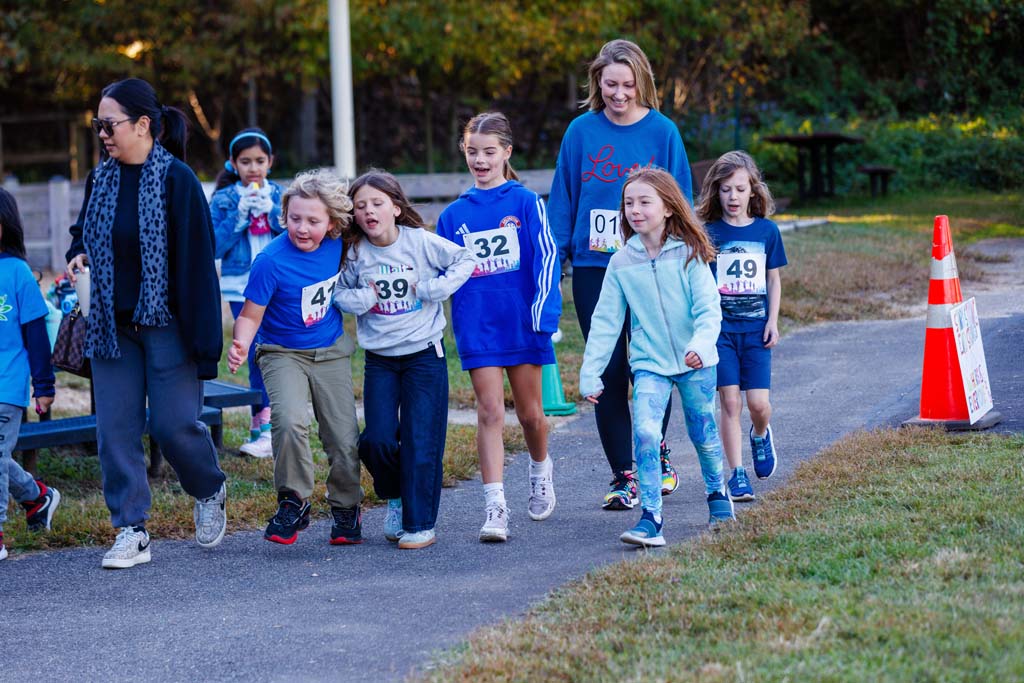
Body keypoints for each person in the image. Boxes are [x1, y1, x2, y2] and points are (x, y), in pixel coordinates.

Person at [66, 78, 226, 569]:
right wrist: (76, 253)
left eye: (108, 124)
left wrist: (205, 348)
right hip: (111, 328)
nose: (103, 135)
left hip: (167, 325)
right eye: (98, 126)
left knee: (174, 425)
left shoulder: (177, 180)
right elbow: (84, 230)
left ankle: (210, 487)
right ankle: (131, 529)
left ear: (142, 125)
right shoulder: (101, 177)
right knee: (115, 431)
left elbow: (199, 268)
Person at [548, 38, 693, 510]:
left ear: (642, 83)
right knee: (607, 368)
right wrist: (556, 258)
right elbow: (564, 196)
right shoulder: (580, 131)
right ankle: (623, 474)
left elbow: (682, 198)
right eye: (610, 84)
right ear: (598, 82)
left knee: (650, 361)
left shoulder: (663, 132)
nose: (619, 93)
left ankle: (657, 450)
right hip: (596, 265)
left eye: (628, 84)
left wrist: (682, 254)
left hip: (652, 264)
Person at [579, 168, 734, 548]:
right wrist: (591, 372)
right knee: (647, 433)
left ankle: (718, 497)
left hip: (696, 360)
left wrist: (700, 344)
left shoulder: (688, 252)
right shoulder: (621, 263)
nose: (635, 209)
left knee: (703, 432)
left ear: (667, 208)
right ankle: (651, 518)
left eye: (644, 202)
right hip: (649, 363)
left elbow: (708, 308)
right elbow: (605, 322)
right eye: (629, 203)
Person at [435, 113, 562, 543]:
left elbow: (547, 258)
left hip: (523, 324)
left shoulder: (527, 203)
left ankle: (540, 468)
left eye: (489, 152)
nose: (480, 160)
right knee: (489, 411)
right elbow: (444, 270)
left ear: (507, 153)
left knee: (530, 415)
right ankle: (495, 506)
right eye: (473, 152)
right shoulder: (454, 215)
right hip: (478, 327)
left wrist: (543, 315)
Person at [334, 170, 474, 550]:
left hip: (424, 356)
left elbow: (465, 258)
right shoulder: (355, 252)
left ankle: (419, 523)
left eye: (377, 203)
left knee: (420, 439)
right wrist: (359, 300)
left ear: (395, 208)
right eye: (360, 206)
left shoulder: (420, 242)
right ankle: (394, 494)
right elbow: (338, 294)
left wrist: (436, 288)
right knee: (376, 440)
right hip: (380, 359)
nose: (368, 212)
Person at [228, 168, 363, 546]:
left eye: (313, 221)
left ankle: (346, 507)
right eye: (295, 218)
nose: (302, 228)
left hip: (330, 350)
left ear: (333, 223)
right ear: (283, 215)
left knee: (342, 434)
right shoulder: (270, 261)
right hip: (281, 352)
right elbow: (250, 315)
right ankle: (294, 500)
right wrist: (240, 344)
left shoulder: (340, 244)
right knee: (288, 421)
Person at [697, 151, 787, 501]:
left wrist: (773, 321)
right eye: (725, 190)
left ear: (753, 191)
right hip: (721, 333)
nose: (732, 197)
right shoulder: (709, 233)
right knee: (730, 403)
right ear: (715, 192)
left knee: (758, 405)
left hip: (755, 331)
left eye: (739, 189)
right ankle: (736, 474)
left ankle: (761, 435)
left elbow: (773, 280)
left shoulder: (767, 231)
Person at [210, 127, 283, 458]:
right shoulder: (224, 198)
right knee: (254, 349)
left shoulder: (280, 195)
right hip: (241, 284)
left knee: (274, 349)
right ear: (232, 164)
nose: (253, 168)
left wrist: (273, 213)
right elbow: (212, 246)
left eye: (259, 161)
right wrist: (240, 216)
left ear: (270, 162)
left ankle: (271, 424)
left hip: (277, 282)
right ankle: (262, 426)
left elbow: (296, 236)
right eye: (245, 161)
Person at [0, 188, 61, 561]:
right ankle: (38, 496)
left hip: (6, 384)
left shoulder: (18, 272)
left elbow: (36, 332)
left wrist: (44, 385)